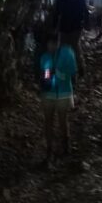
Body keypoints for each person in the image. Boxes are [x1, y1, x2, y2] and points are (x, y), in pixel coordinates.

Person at [39, 34, 78, 163]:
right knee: (48, 120)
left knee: (63, 119)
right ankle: (49, 148)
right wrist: (47, 77)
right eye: (48, 44)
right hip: (49, 93)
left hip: (64, 92)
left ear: (57, 43)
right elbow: (45, 73)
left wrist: (59, 74)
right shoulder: (45, 57)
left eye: (52, 44)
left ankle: (66, 144)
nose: (50, 47)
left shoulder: (67, 53)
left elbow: (72, 72)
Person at [52, 0, 89, 77]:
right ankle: (62, 69)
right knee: (63, 48)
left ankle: (80, 69)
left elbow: (85, 13)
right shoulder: (62, 0)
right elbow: (56, 15)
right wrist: (54, 26)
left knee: (75, 47)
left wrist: (86, 24)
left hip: (75, 28)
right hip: (64, 28)